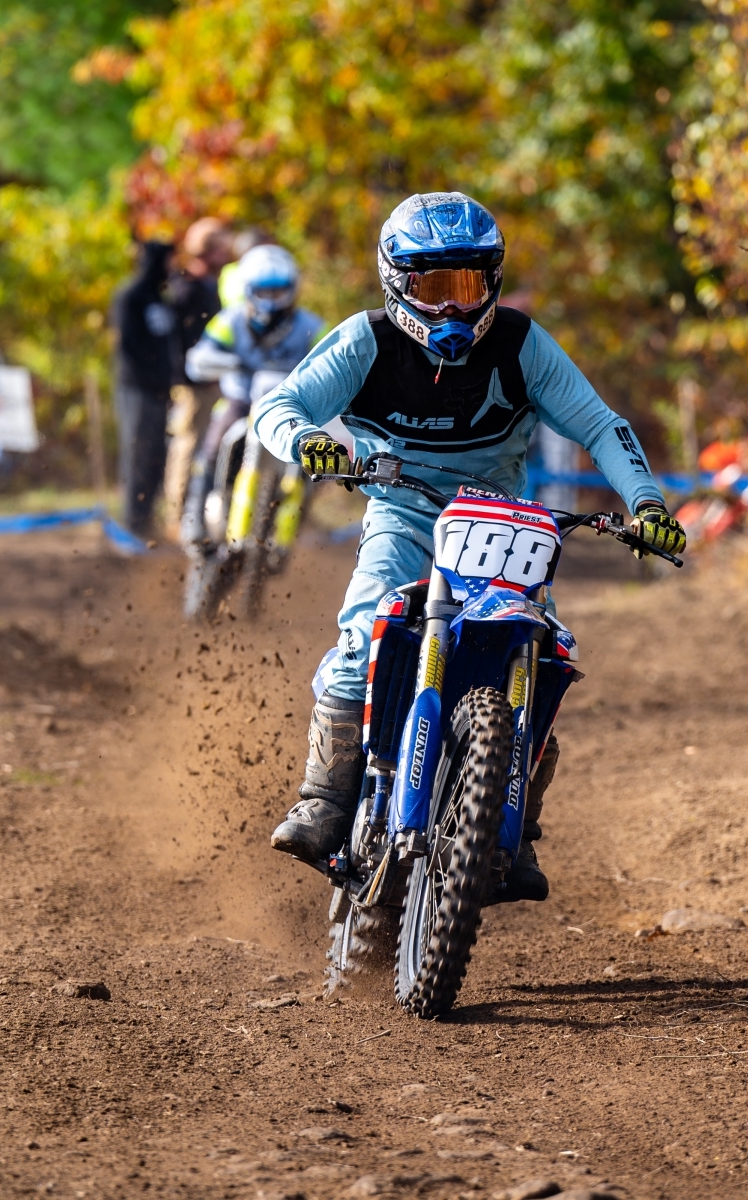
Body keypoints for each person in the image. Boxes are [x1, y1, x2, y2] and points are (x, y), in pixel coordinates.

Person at [254, 191, 686, 904]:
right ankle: (323, 800)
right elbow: (277, 406)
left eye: (469, 284)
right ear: (398, 283)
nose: (454, 307)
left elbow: (601, 426)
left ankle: (513, 827)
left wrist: (646, 504)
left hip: (502, 522)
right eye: (434, 288)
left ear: (494, 281)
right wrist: (307, 441)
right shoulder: (366, 342)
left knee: (540, 656)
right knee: (363, 636)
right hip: (402, 513)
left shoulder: (520, 345)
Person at [180, 244, 325, 545]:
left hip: (294, 408)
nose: (271, 299)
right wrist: (230, 362)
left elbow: (340, 360)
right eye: (263, 290)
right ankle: (194, 518)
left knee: (320, 458)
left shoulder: (312, 326)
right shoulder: (230, 321)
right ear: (247, 288)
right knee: (212, 445)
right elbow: (197, 360)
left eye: (278, 290)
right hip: (242, 402)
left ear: (292, 288)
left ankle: (298, 516)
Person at [163, 218, 235, 526]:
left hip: (209, 381)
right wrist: (191, 376)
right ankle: (176, 516)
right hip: (193, 385)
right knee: (187, 444)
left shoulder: (204, 285)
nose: (226, 255)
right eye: (221, 249)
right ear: (208, 250)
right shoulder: (188, 289)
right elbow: (180, 341)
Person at [112, 240, 175, 536]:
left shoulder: (160, 298)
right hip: (137, 390)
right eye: (168, 261)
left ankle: (148, 521)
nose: (172, 268)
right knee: (138, 454)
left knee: (155, 456)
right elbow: (128, 347)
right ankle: (132, 524)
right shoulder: (130, 296)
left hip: (160, 392)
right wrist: (153, 380)